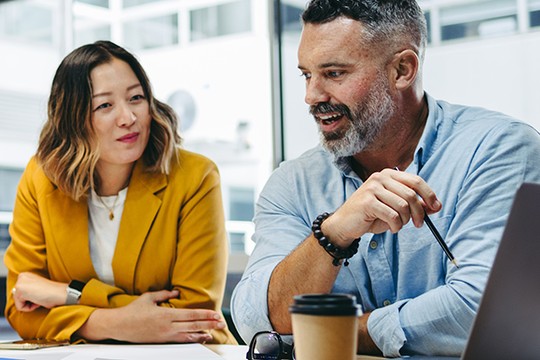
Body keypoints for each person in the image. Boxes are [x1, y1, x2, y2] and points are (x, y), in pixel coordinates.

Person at [231, 0, 540, 357]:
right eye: (306, 74)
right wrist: (333, 234)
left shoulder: (498, 151)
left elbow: (482, 310)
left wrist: (344, 331)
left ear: (402, 69)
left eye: (334, 73)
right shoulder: (293, 183)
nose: (312, 96)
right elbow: (257, 321)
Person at [5, 40, 236, 345]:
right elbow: (22, 309)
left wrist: (67, 295)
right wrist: (110, 323)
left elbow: (193, 315)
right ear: (72, 119)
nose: (128, 117)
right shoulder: (41, 177)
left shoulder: (195, 176)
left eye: (136, 98)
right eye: (105, 105)